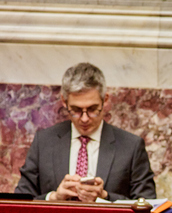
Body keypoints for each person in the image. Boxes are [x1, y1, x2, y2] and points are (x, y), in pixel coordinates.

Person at [15, 62, 156, 201]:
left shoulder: (131, 146)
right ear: (64, 102)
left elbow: (147, 205)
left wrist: (104, 197)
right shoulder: (44, 142)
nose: (84, 119)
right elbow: (19, 202)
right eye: (76, 110)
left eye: (92, 109)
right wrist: (53, 197)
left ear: (104, 100)